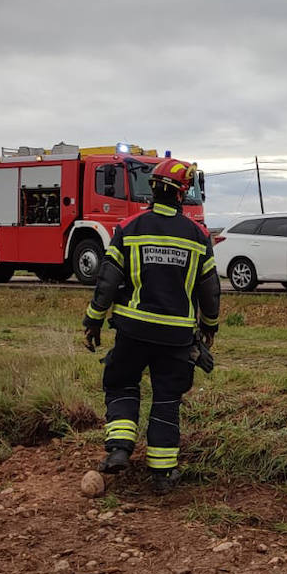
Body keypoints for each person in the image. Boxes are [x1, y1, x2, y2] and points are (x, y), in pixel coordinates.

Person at [82, 158, 220, 492]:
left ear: (152, 190)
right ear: (182, 193)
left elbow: (107, 282)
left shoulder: (129, 228)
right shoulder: (198, 236)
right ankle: (162, 474)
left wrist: (93, 320)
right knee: (167, 399)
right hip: (176, 337)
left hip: (132, 330)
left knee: (122, 384)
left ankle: (118, 450)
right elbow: (210, 289)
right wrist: (209, 327)